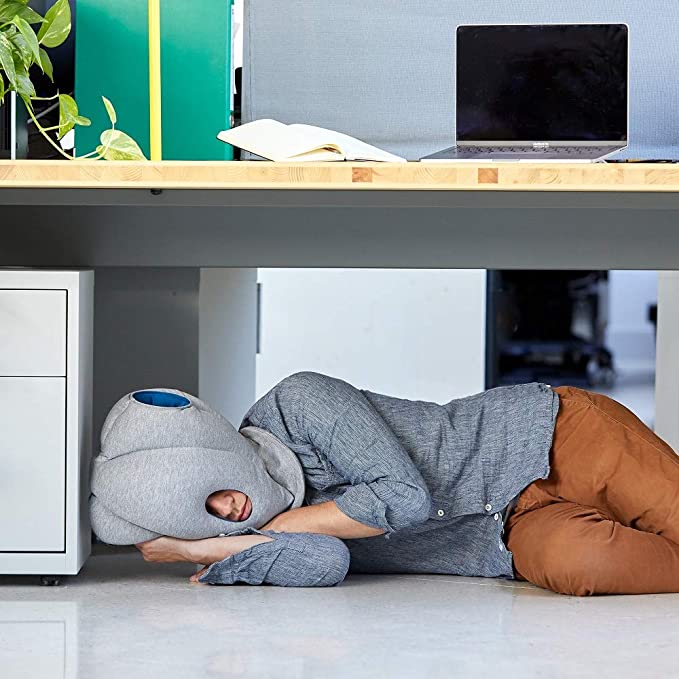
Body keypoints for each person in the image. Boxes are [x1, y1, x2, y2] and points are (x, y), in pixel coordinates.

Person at [135, 371, 679, 596]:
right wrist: (196, 548)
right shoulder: (244, 531)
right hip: (511, 534)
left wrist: (269, 527)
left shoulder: (296, 403)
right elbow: (326, 562)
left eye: (218, 487)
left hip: (553, 436)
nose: (230, 508)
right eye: (209, 514)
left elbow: (404, 498)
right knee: (579, 566)